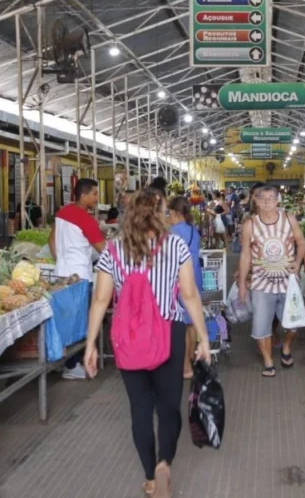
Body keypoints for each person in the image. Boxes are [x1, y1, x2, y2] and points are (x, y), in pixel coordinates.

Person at [83, 189, 210, 498]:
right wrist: (204, 338)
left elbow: (100, 301)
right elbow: (189, 295)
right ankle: (164, 464)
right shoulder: (176, 245)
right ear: (160, 213)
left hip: (128, 338)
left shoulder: (112, 250)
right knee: (169, 406)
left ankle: (150, 477)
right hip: (169, 333)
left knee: (140, 408)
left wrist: (90, 345)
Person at [238, 185, 305, 377]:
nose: (267, 201)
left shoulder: (289, 219)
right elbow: (245, 255)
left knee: (293, 324)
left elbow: (302, 243)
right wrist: (243, 283)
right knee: (261, 326)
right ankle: (268, 362)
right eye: (263, 198)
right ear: (256, 201)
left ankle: (286, 347)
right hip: (261, 284)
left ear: (278, 200)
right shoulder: (250, 224)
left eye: (271, 197)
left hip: (288, 282)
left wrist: (298, 262)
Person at [49, 178, 106, 380]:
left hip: (61, 273)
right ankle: (72, 366)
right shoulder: (85, 219)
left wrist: (61, 260)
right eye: (94, 194)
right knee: (78, 322)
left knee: (63, 319)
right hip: (80, 277)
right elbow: (103, 249)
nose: (97, 198)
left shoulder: (62, 213)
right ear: (83, 196)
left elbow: (51, 240)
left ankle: (61, 360)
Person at [167, 196, 204, 380]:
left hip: (178, 280)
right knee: (191, 324)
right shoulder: (192, 230)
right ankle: (190, 361)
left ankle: (185, 366)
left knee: (180, 324)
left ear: (174, 212)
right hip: (195, 277)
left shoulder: (172, 232)